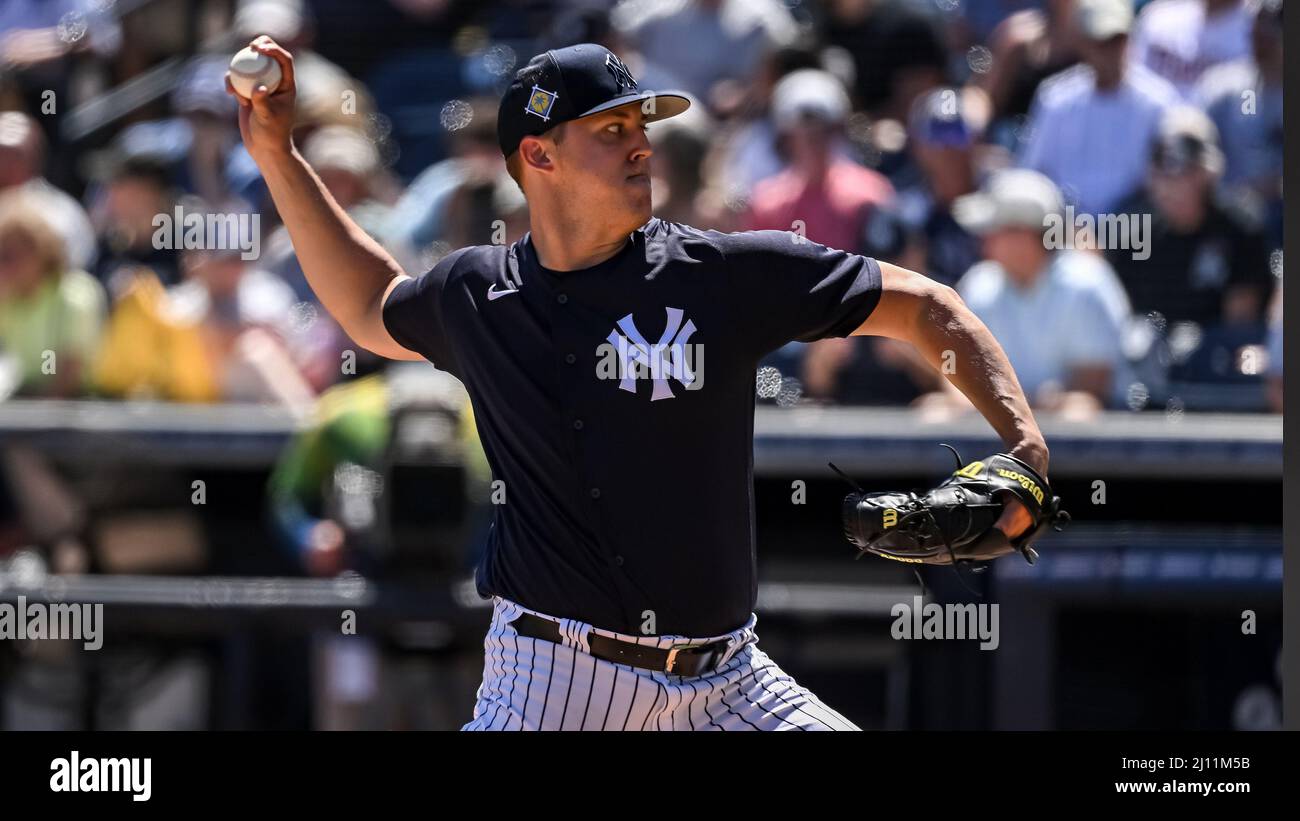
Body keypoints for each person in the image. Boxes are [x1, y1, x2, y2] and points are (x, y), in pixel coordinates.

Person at [230, 37, 1053, 731]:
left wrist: (1024, 443)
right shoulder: (479, 295)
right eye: (611, 128)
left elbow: (923, 307)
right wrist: (277, 152)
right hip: (554, 681)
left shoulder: (718, 275)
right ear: (538, 155)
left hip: (729, 679)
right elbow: (370, 303)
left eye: (641, 125)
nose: (640, 145)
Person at [920, 169, 1131, 418]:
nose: (983, 241)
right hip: (1005, 413)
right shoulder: (980, 282)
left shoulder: (1085, 283)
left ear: (1024, 234)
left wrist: (1024, 406)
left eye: (995, 230)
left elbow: (1092, 387)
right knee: (935, 412)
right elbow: (956, 371)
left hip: (1078, 431)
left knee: (1077, 413)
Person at [1107, 106, 1273, 328]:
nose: (1170, 188)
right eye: (1162, 175)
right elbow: (1119, 318)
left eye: (1184, 174)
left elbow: (1239, 328)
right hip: (1148, 355)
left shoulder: (1240, 228)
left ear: (1208, 174)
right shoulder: (1133, 233)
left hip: (1215, 356)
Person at [1019, 0, 1179, 214]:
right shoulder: (1056, 99)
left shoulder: (1159, 102)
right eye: (1100, 41)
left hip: (1137, 233)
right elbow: (1033, 174)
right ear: (1082, 43)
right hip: (1064, 231)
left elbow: (1169, 181)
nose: (1109, 51)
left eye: (1117, 40)